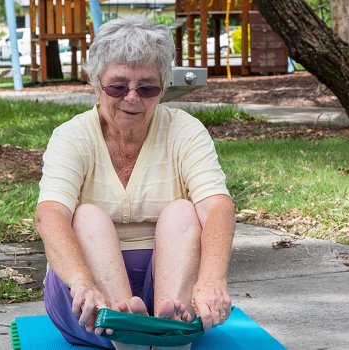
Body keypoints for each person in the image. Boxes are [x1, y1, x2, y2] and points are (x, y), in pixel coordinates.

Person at [35, 15, 236, 350]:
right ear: (96, 83)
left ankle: (171, 332)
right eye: (118, 86)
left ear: (163, 88)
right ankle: (123, 330)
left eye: (146, 88)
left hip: (175, 287)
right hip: (90, 298)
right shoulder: (71, 136)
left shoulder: (184, 130)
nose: (132, 98)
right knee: (85, 216)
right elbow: (50, 215)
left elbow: (217, 206)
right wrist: (82, 282)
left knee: (184, 212)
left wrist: (212, 280)